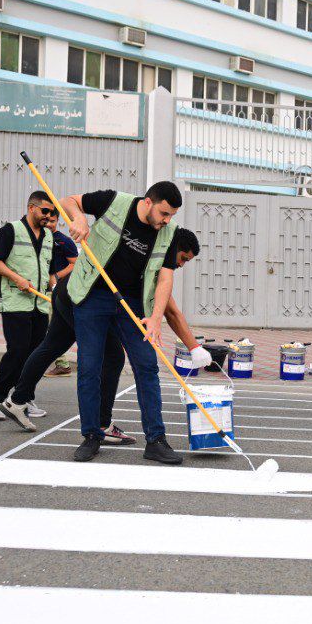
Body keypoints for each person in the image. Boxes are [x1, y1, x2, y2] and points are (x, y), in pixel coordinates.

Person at [61, 182, 212, 464]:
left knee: (147, 367)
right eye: (164, 213)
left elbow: (166, 278)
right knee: (90, 368)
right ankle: (92, 435)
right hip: (92, 295)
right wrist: (78, 217)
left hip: (132, 303)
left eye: (171, 215)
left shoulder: (169, 234)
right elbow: (69, 199)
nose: (167, 220)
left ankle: (156, 440)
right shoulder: (113, 200)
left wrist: (155, 319)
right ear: (147, 202)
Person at [0, 191, 55, 421]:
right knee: (18, 350)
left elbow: (48, 267)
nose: (48, 216)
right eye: (45, 211)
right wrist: (17, 278)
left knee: (36, 355)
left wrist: (55, 287)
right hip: (16, 302)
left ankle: (22, 398)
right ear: (31, 207)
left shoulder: (49, 236)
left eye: (52, 213)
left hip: (40, 304)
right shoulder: (10, 230)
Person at [43, 215, 75, 378]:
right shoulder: (38, 238)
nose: (49, 224)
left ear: (57, 221)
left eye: (52, 221)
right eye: (46, 220)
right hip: (38, 289)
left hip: (55, 291)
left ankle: (62, 365)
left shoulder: (63, 241)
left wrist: (56, 276)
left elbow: (74, 263)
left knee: (51, 328)